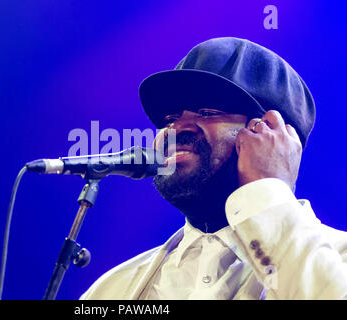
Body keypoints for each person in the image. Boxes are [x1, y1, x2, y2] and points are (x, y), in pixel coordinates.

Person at [80, 37, 347, 300]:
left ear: (275, 138)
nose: (175, 128)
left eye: (207, 112)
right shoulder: (111, 290)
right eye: (169, 118)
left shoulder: (338, 257)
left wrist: (267, 190)